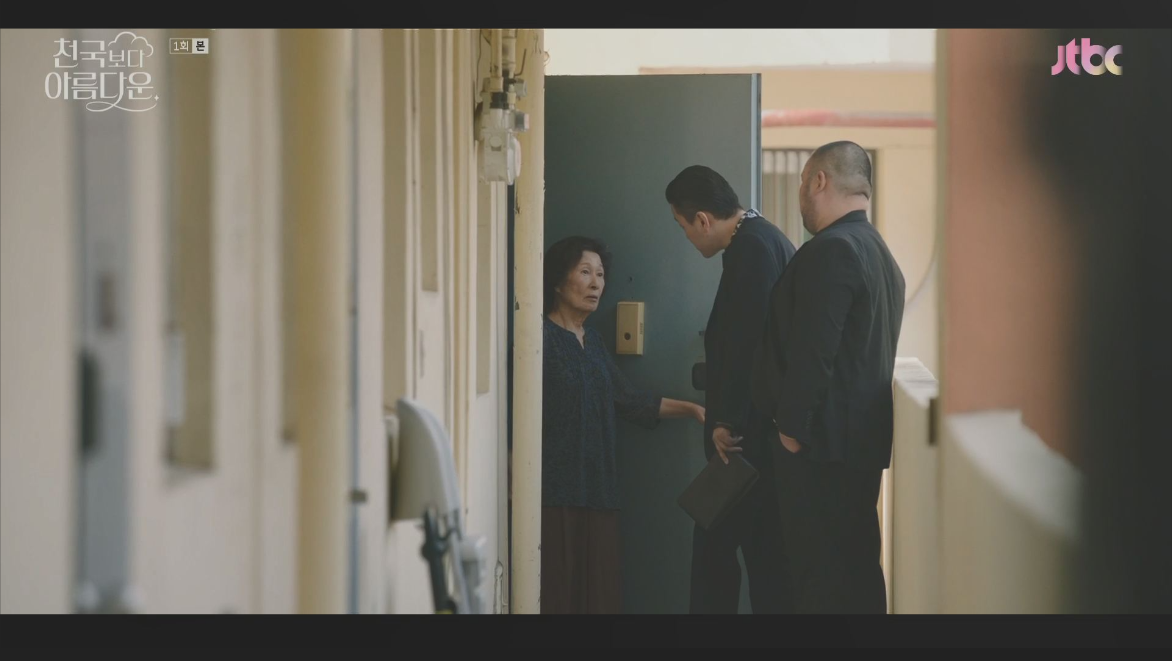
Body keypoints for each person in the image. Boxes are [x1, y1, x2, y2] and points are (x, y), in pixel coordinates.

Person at [750, 141, 905, 613]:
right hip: (856, 448)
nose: (801, 193)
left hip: (820, 451)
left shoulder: (833, 249)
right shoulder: (880, 254)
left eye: (802, 182)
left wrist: (791, 431)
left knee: (819, 582)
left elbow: (814, 351)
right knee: (857, 573)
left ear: (819, 180)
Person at [540, 235, 706, 614]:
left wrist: (694, 409)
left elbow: (630, 400)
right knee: (555, 594)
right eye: (585, 272)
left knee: (599, 597)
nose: (596, 283)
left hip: (599, 489)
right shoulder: (538, 337)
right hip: (553, 491)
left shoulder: (594, 342)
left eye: (600, 275)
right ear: (557, 281)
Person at [665, 165, 796, 614]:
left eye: (683, 226)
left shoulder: (751, 250)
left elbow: (747, 343)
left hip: (744, 441)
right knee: (764, 557)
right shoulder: (762, 238)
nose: (687, 237)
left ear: (703, 219)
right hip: (763, 437)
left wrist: (727, 421)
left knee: (716, 555)